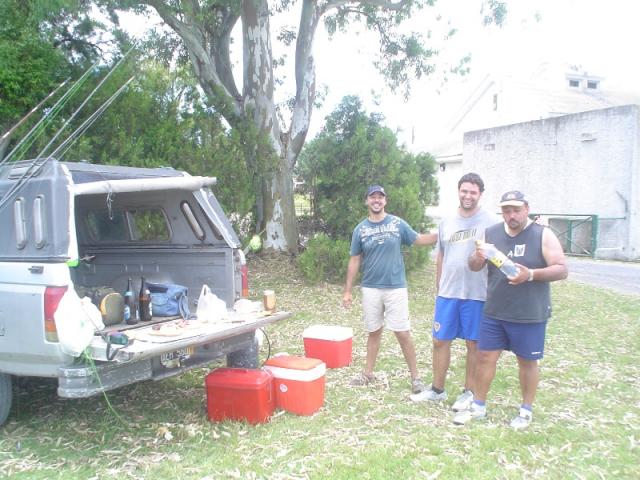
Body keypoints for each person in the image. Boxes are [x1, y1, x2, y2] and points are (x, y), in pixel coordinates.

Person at [454, 190, 568, 429]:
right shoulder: (492, 234)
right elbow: (474, 266)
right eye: (507, 210)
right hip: (495, 310)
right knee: (485, 357)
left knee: (527, 362)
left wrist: (531, 275)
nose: (511, 215)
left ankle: (525, 411)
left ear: (526, 209)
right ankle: (478, 406)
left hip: (529, 313)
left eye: (516, 210)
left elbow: (561, 269)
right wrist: (477, 256)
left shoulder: (542, 235)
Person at [410, 173, 499, 412]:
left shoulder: (491, 221)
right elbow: (441, 254)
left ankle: (468, 392)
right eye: (464, 191)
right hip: (448, 292)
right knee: (440, 341)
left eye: (473, 192)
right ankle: (437, 390)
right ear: (458, 191)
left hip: (477, 293)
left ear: (480, 194)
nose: (468, 195)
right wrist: (439, 285)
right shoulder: (447, 220)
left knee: (473, 344)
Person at [343, 184, 437, 394]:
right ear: (367, 201)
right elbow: (354, 260)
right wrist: (348, 290)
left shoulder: (397, 223)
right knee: (373, 331)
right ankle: (368, 373)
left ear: (385, 201)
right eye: (372, 197)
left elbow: (419, 239)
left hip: (396, 288)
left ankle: (416, 378)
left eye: (380, 197)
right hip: (370, 288)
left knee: (402, 333)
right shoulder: (361, 229)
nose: (377, 200)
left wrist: (443, 234)